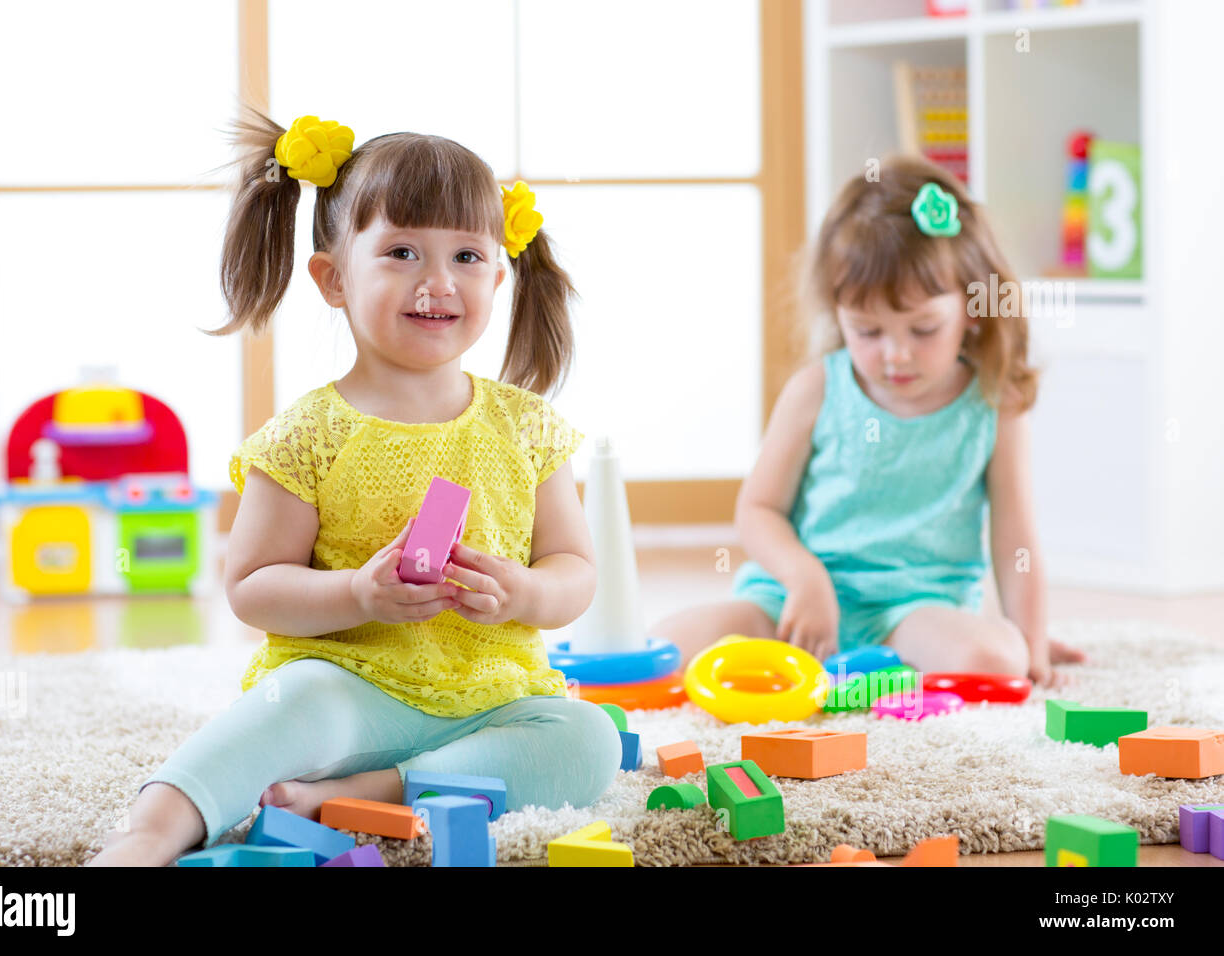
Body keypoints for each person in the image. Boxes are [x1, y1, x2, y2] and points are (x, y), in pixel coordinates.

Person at [88, 109, 620, 866]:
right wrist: (356, 596)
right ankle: (150, 831)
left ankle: (382, 790)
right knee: (287, 705)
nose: (438, 282)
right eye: (402, 251)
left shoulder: (528, 428)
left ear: (499, 275)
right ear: (334, 279)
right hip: (348, 693)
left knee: (586, 741)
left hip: (491, 701)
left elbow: (575, 571)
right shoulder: (306, 437)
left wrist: (523, 592)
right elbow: (252, 586)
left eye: (467, 256)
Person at [651, 156, 1085, 690]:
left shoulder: (995, 404)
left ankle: (869, 665)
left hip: (913, 613)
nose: (896, 355)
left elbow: (1015, 542)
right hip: (794, 601)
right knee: (665, 647)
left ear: (974, 307)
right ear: (838, 314)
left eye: (923, 329)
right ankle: (848, 667)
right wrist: (805, 579)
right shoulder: (816, 390)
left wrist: (1030, 643)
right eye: (867, 331)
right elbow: (758, 510)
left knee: (997, 661)